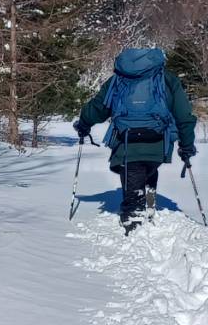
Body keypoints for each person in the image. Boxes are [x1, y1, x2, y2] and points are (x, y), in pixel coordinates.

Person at [74, 46, 196, 233]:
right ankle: (148, 199)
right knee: (147, 166)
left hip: (127, 138)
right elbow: (183, 113)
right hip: (158, 139)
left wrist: (84, 123)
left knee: (132, 169)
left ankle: (133, 215)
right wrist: (186, 144)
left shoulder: (119, 79)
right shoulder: (166, 78)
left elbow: (99, 107)